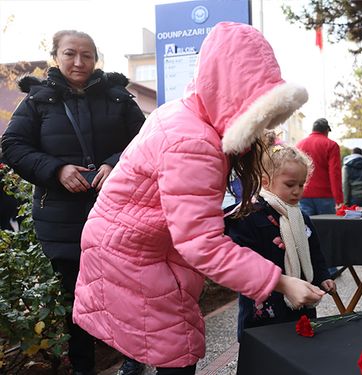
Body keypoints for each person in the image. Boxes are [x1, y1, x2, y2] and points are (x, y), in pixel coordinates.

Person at [72, 22, 323, 375]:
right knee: (179, 353)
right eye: (261, 113)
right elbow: (201, 243)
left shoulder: (182, 114)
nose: (262, 128)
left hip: (133, 247)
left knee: (175, 346)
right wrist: (281, 283)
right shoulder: (195, 142)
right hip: (134, 256)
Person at [0, 30, 145, 375]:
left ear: (96, 59)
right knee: (76, 297)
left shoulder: (119, 98)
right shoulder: (37, 100)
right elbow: (12, 146)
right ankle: (83, 366)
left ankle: (132, 356)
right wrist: (57, 169)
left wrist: (115, 163)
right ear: (56, 57)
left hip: (116, 214)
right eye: (70, 54)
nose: (78, 62)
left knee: (123, 288)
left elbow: (147, 141)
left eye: (87, 55)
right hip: (62, 221)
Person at [225, 144, 336, 339]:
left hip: (300, 303)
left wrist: (322, 276)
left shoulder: (301, 217)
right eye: (290, 184)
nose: (297, 191)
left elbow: (314, 251)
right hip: (264, 307)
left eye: (301, 185)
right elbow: (240, 257)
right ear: (266, 182)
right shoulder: (249, 215)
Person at [296, 118, 343, 216]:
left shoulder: (299, 145)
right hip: (325, 195)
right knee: (327, 229)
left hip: (303, 194)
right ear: (326, 130)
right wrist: (339, 199)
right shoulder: (331, 145)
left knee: (306, 229)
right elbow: (335, 173)